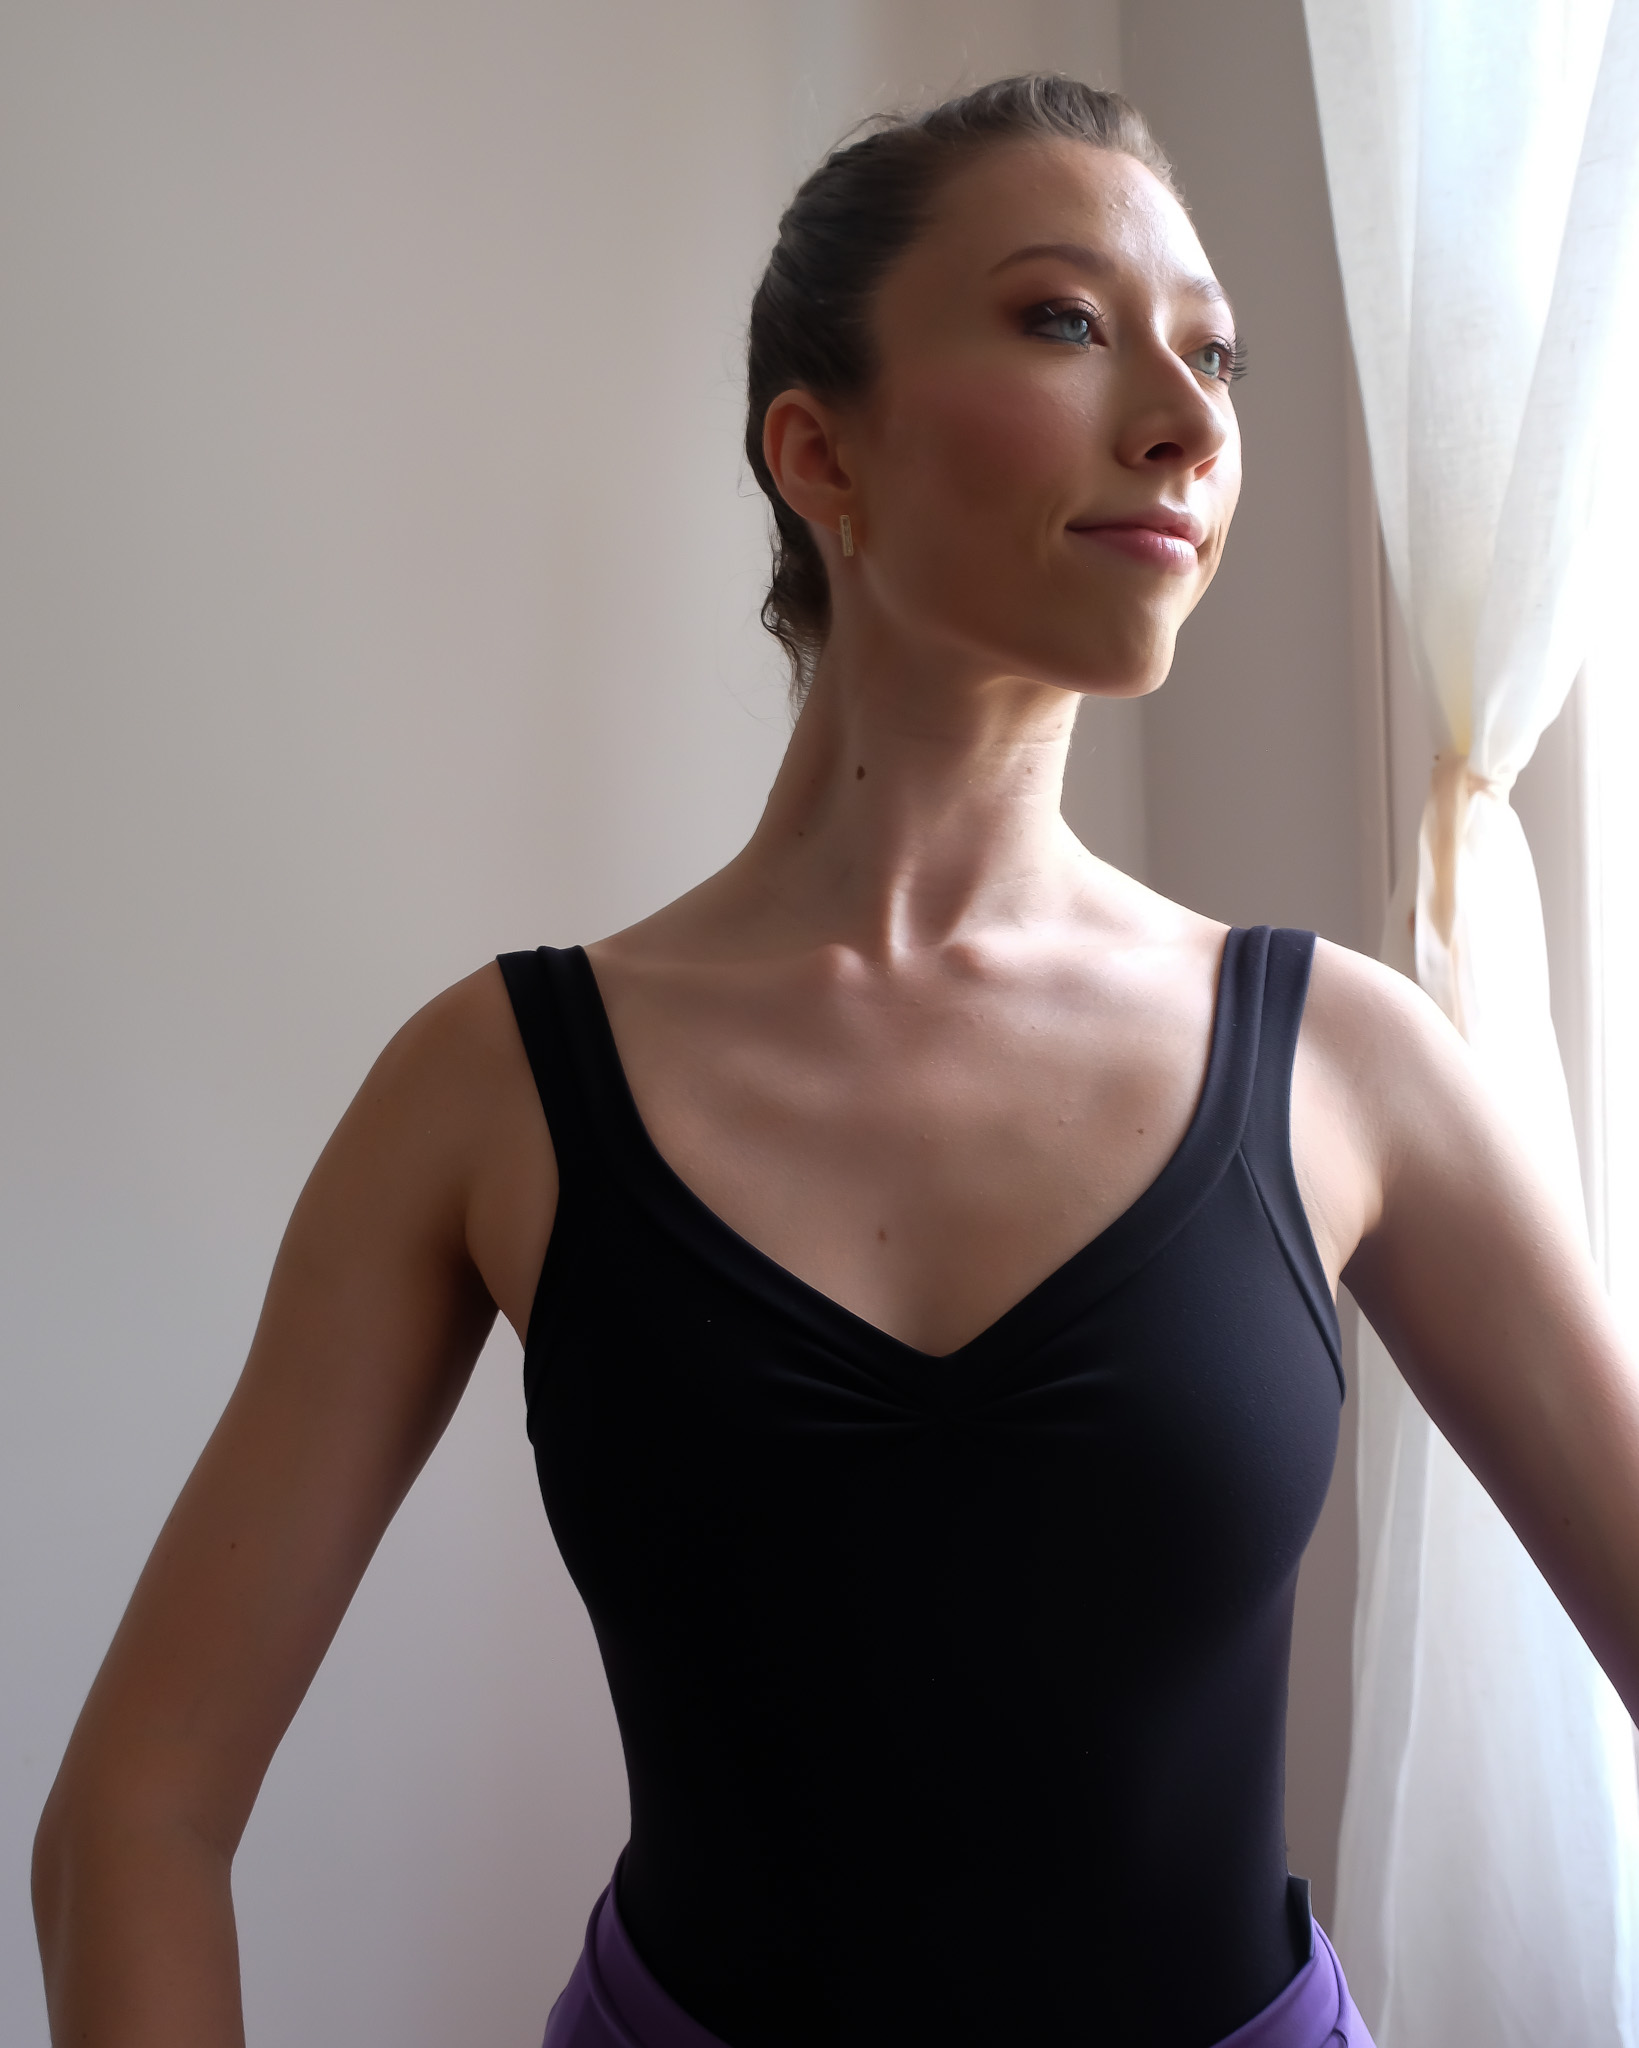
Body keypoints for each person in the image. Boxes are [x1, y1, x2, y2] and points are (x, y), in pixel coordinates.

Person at [31, 73, 1639, 2048]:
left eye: (1215, 354)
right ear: (820, 451)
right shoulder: (490, 1091)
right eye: (1066, 319)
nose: (1187, 417)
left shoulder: (1350, 1066)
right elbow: (136, 1819)